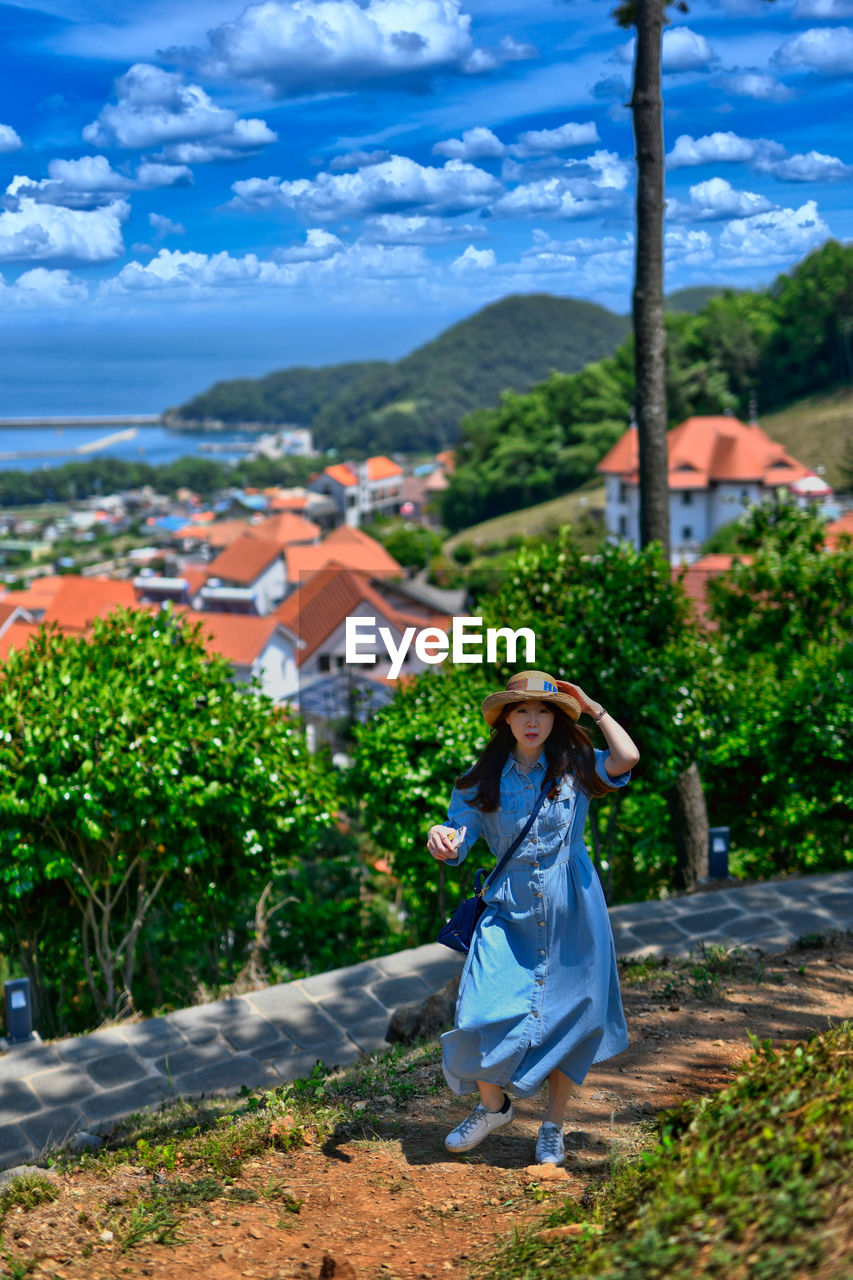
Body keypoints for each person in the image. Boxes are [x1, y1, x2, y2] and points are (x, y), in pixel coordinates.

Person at [426, 670, 640, 1166]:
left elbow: (626, 758)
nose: (533, 720)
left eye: (543, 711)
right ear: (505, 718)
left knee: (573, 1018)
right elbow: (455, 833)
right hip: (509, 909)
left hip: (575, 907)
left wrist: (593, 708)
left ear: (556, 719)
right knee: (478, 1008)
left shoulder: (576, 765)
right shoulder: (481, 781)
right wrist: (442, 837)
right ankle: (493, 1105)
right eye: (521, 710)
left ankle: (552, 1126)